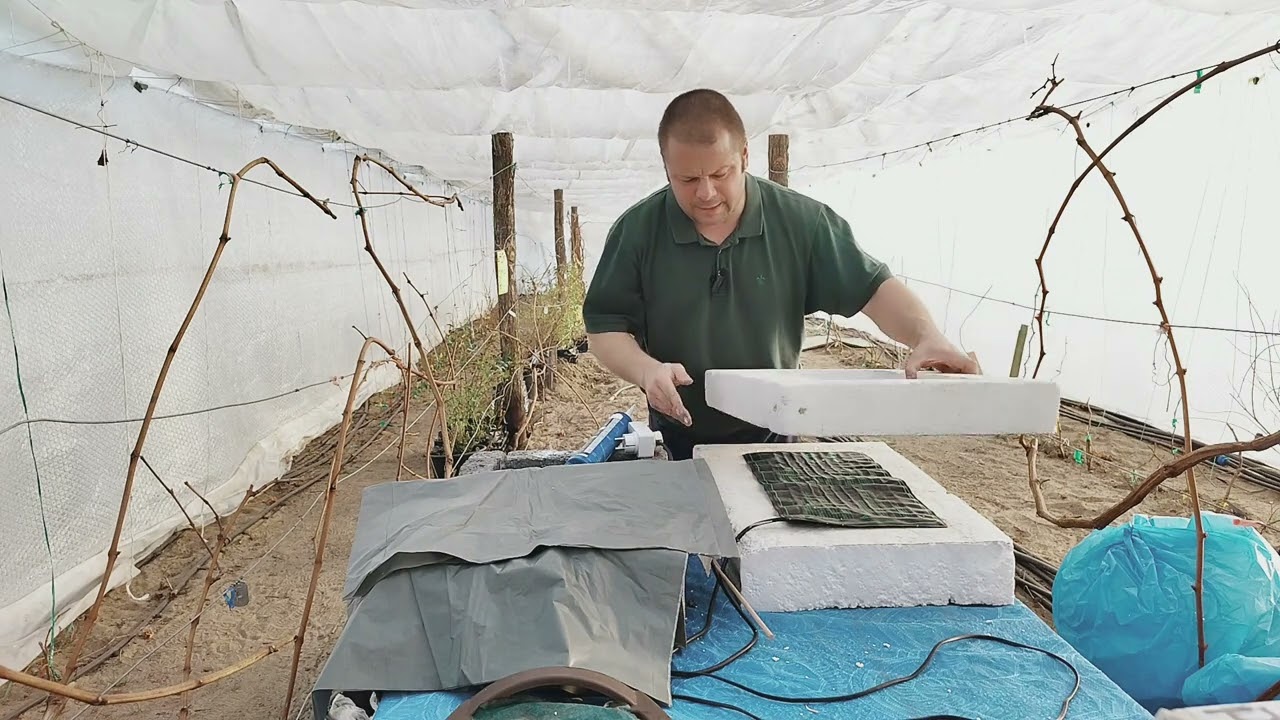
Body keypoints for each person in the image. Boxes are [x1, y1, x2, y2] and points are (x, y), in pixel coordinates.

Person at [581, 89, 980, 461]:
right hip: (676, 435)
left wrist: (928, 336)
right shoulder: (637, 232)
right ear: (666, 167)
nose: (705, 193)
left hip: (775, 433)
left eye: (721, 174)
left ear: (745, 157)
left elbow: (873, 289)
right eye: (687, 179)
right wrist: (648, 371)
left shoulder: (802, 223)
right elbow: (605, 329)